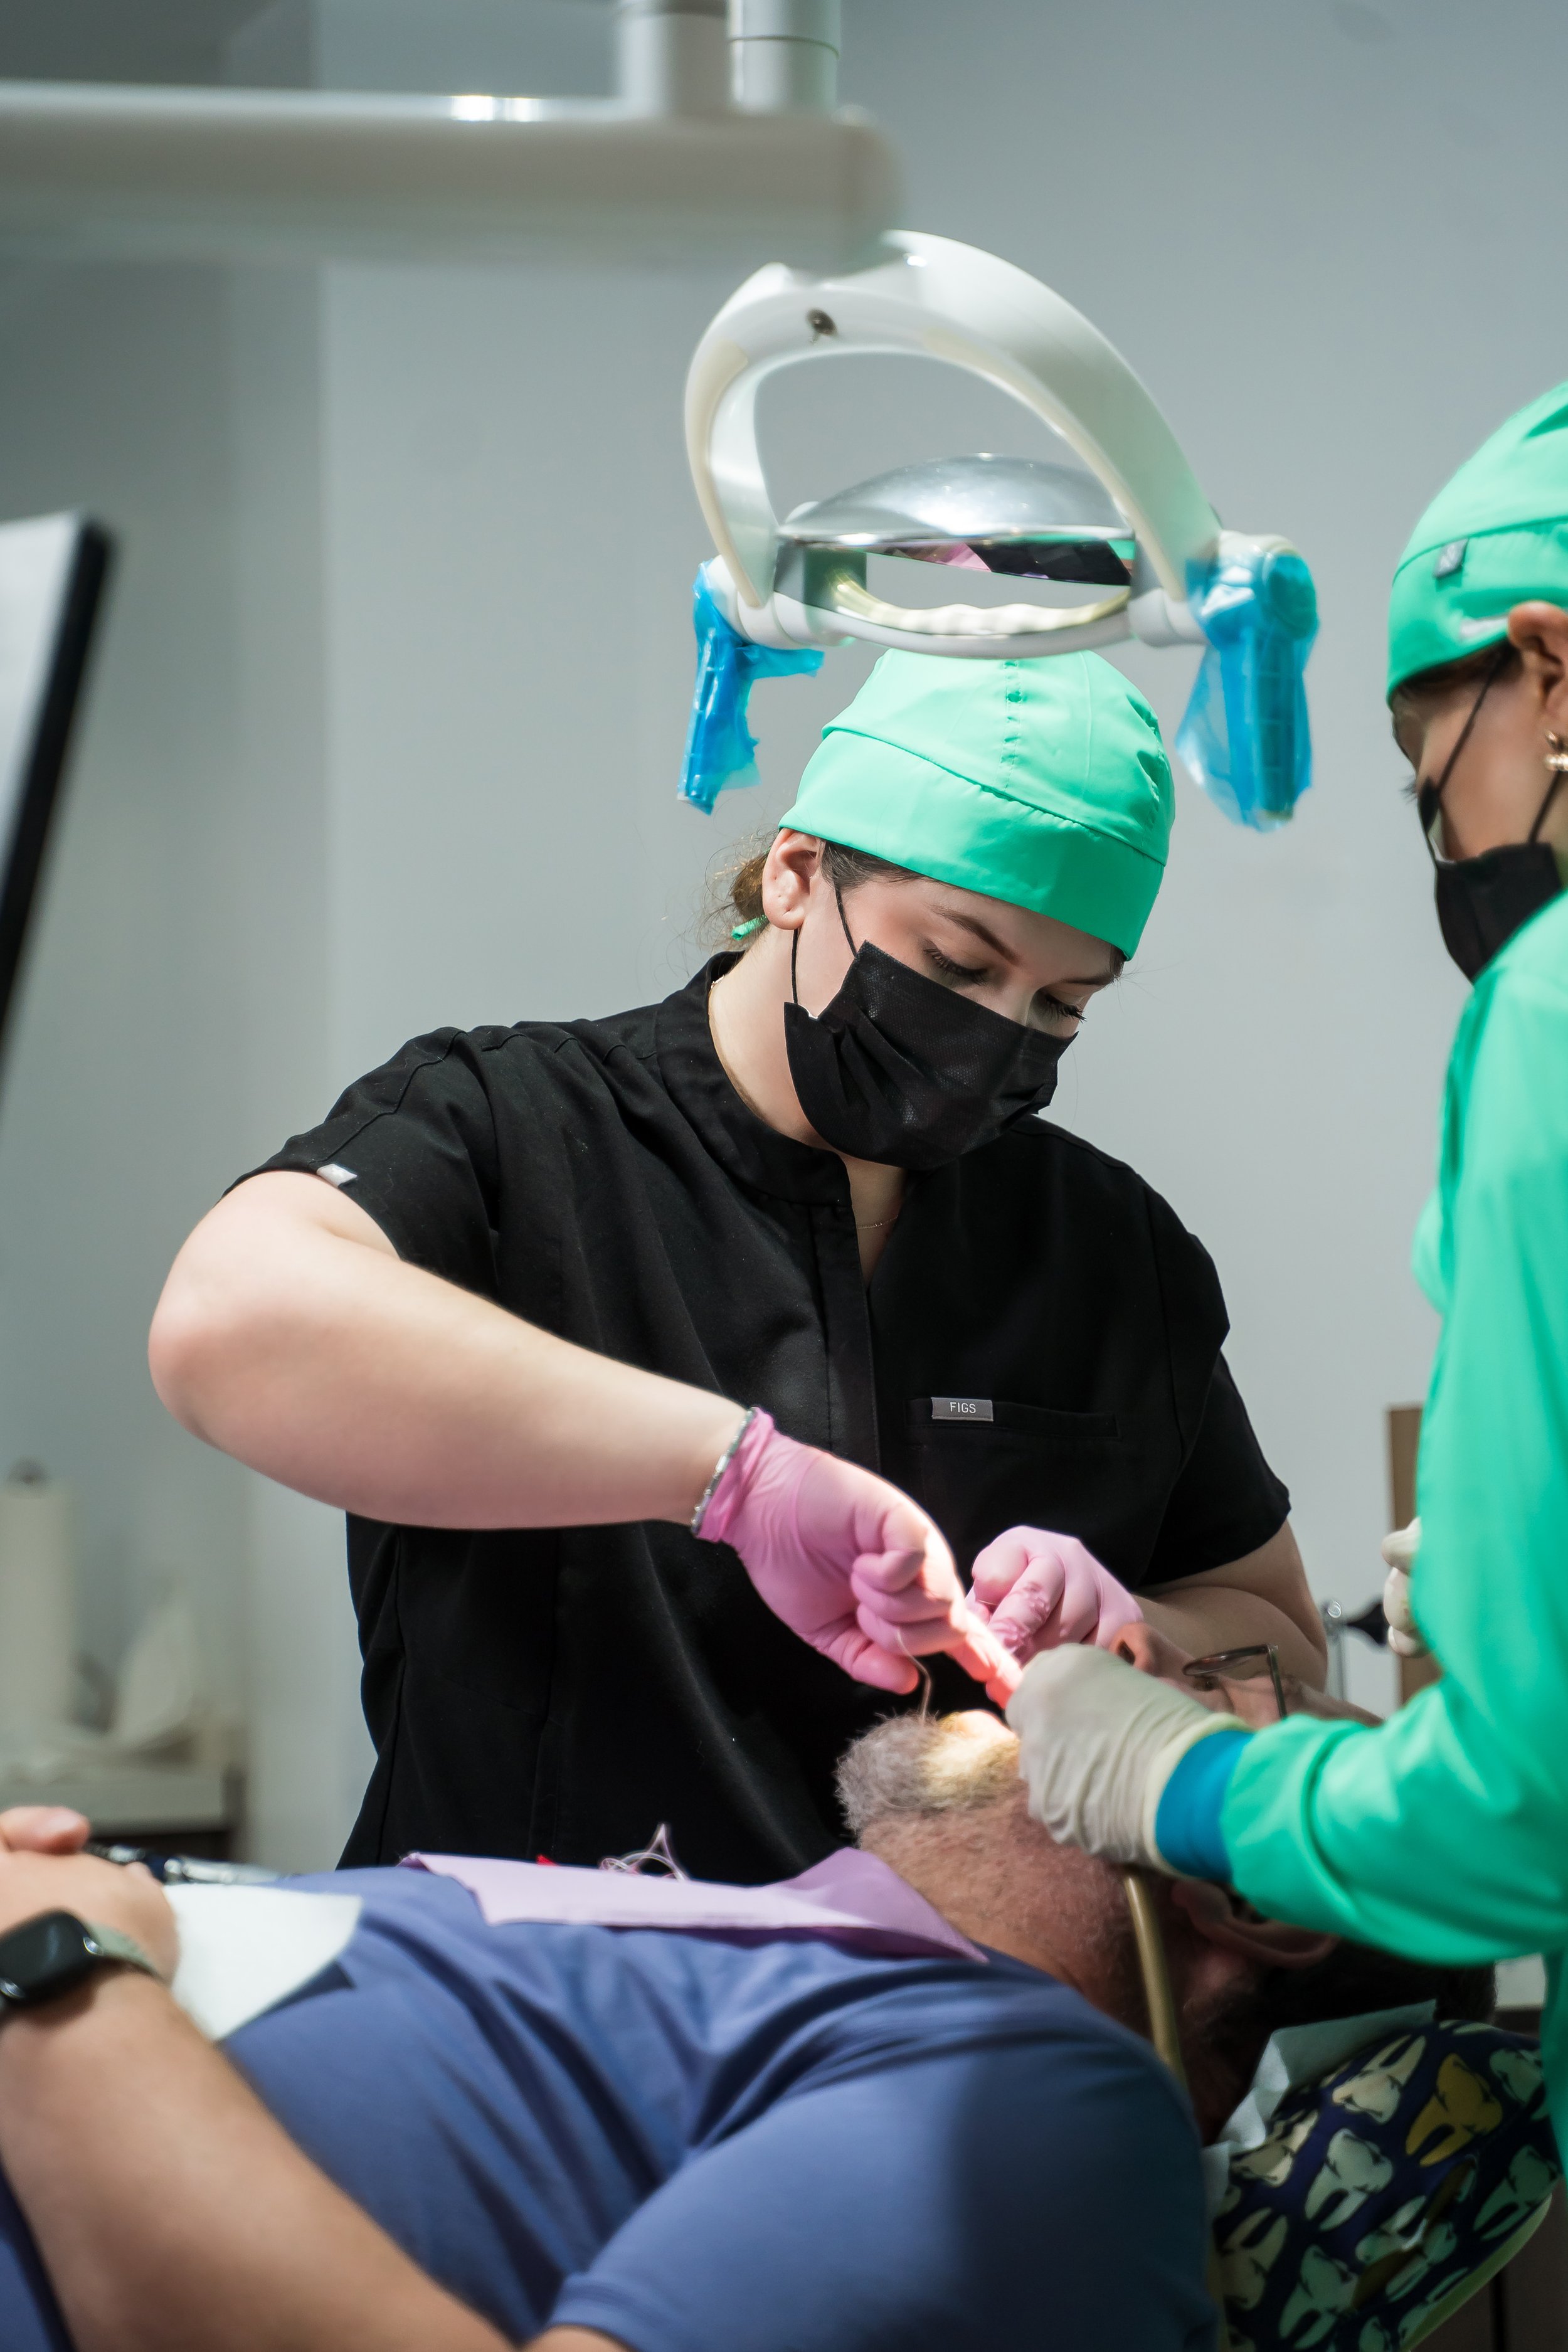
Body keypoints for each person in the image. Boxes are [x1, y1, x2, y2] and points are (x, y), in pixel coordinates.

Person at [150, 650, 1323, 1881]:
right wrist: (734, 1478)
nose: (994, 1040)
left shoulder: (1107, 1247)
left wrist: (1137, 1638)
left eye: (1059, 1007)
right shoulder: (516, 1132)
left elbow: (1279, 1639)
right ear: (794, 874)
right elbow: (227, 1321)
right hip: (523, 1974)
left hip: (943, 1990)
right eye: (955, 965)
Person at [0, 1669, 1489, 2352]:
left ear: (1248, 1906)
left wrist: (56, 1980)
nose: (1107, 1660)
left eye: (1192, 1697)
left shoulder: (1040, 2098)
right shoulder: (749, 1949)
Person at [1004, 383, 1568, 2157]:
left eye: (1425, 773)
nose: (1444, 839)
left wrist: (1187, 1777)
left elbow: (1514, 1818)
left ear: (1547, 673)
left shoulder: (1548, 1011)